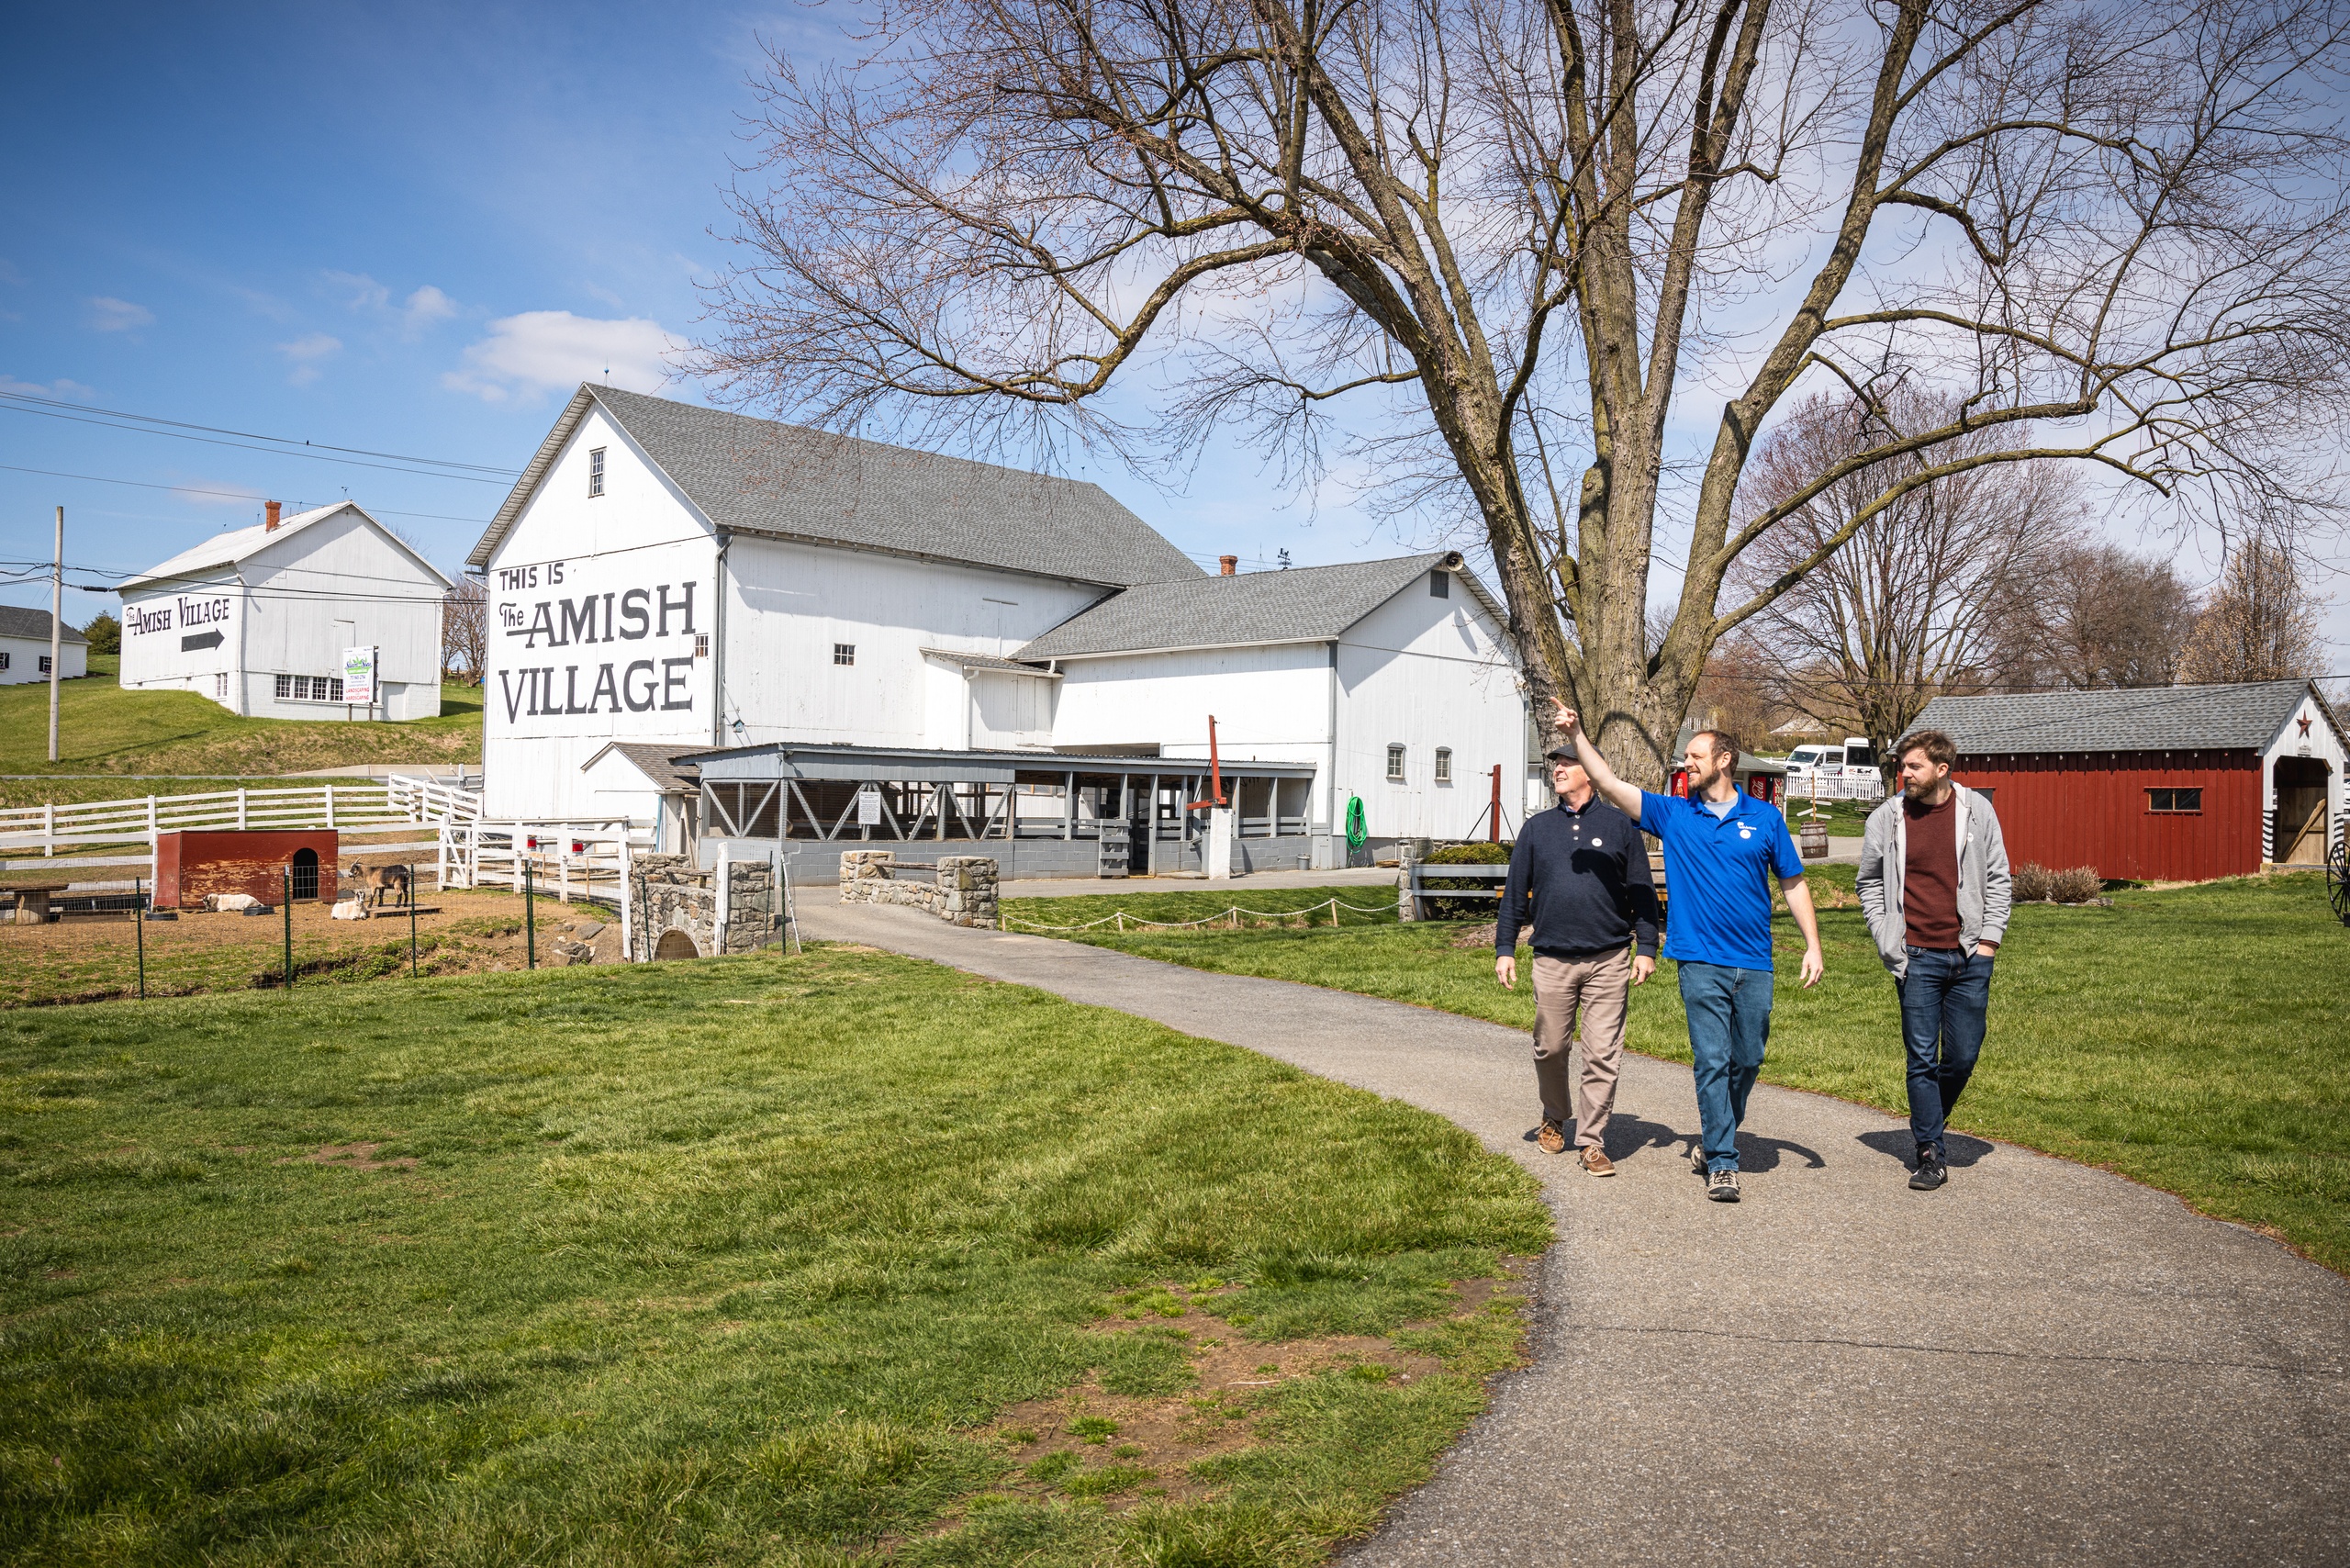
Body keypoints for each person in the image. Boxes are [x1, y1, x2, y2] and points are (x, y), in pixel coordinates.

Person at [1551, 703, 1823, 1203]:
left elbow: (1793, 882)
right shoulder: (1674, 814)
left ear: (1724, 760)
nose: (1686, 764)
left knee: (1749, 1058)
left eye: (1695, 756)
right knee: (1712, 1060)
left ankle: (1715, 1135)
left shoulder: (1763, 819)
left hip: (1755, 961)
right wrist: (1578, 733)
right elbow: (1609, 783)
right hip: (1698, 959)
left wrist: (1812, 944)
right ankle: (1721, 1159)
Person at [1855, 729, 2011, 1192]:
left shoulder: (1976, 811)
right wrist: (1886, 934)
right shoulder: (1888, 817)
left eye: (1914, 767)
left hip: (1969, 955)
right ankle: (1930, 1153)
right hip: (1915, 956)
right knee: (1921, 1058)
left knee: (1962, 1057)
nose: (1904, 774)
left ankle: (1927, 1123)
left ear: (1942, 770)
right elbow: (1869, 882)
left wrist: (1989, 942)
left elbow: (1999, 877)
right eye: (1902, 767)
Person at [1495, 744, 1660, 1175]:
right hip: (1552, 957)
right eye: (1556, 765)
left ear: (1590, 771)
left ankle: (1591, 1141)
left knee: (1603, 1053)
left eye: (1568, 763)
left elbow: (1642, 890)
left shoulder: (1620, 825)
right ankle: (1554, 1115)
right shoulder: (1537, 829)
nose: (1558, 770)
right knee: (1550, 1047)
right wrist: (1505, 948)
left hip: (1609, 958)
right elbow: (1516, 893)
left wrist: (1646, 947)